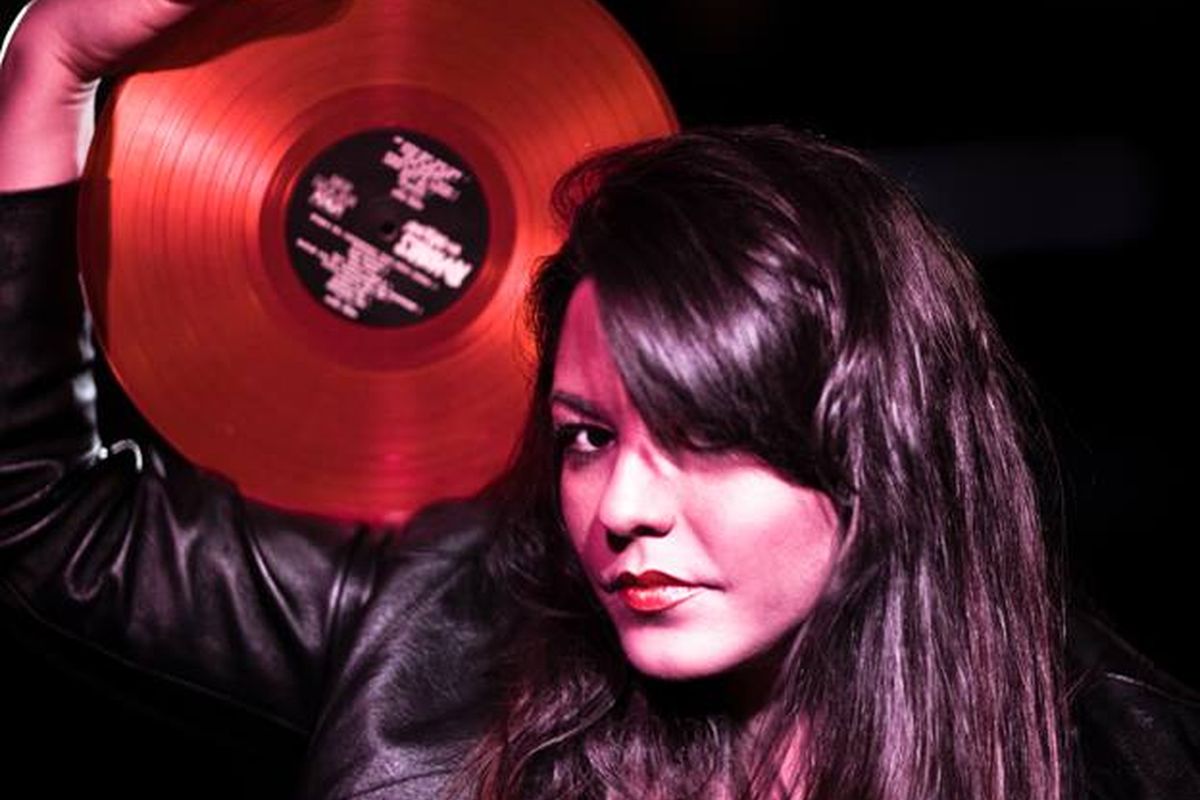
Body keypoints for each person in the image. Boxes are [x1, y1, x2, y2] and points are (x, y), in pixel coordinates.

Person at [1, 2, 1197, 799]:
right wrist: (46, 67)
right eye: (586, 434)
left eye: (704, 436)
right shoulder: (438, 625)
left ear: (878, 443)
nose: (621, 506)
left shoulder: (1116, 755)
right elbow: (47, 516)